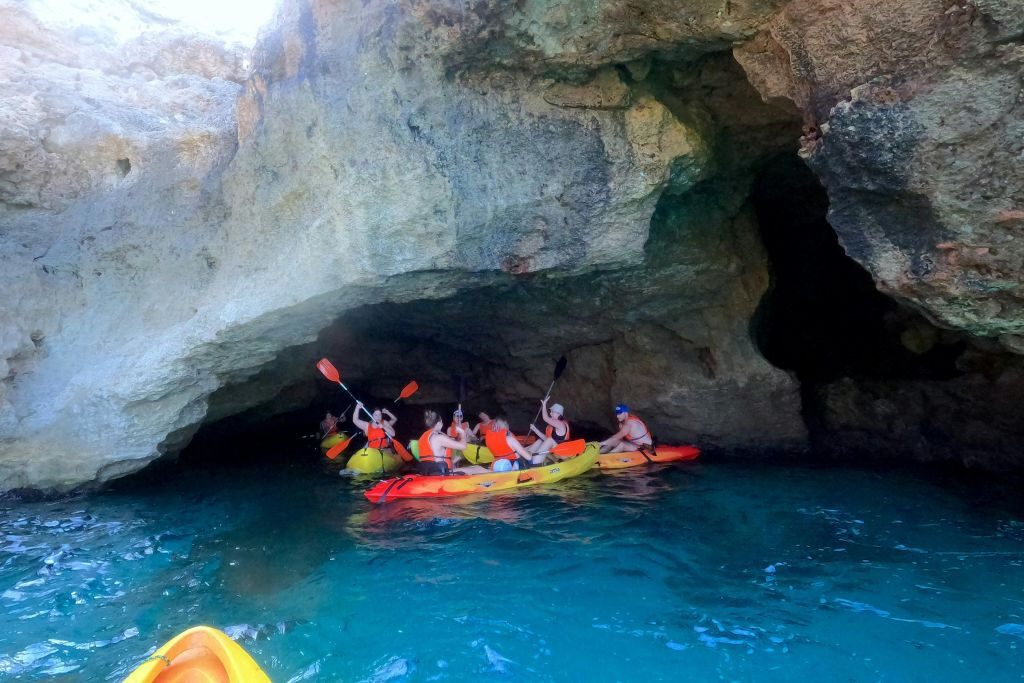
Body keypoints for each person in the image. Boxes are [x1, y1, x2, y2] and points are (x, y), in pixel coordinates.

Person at [418, 409, 468, 475]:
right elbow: (463, 446)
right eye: (441, 422)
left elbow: (434, 458)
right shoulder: (439, 437)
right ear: (438, 423)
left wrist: (454, 460)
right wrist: (462, 432)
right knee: (475, 469)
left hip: (427, 472)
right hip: (441, 473)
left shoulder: (422, 437)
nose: (442, 424)